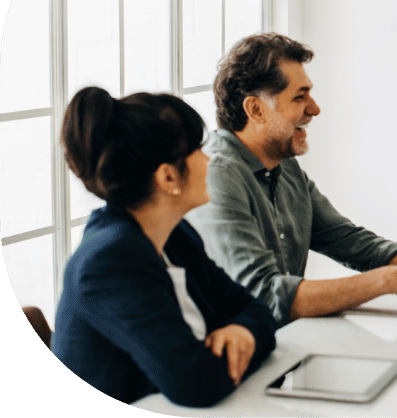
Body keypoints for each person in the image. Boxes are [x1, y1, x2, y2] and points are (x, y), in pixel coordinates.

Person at [186, 33, 397, 327]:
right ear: (255, 109)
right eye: (300, 96)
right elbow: (265, 296)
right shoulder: (216, 176)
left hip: (282, 350)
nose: (315, 108)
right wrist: (388, 280)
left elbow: (350, 242)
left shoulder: (286, 168)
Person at [53, 87, 277, 407]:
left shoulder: (175, 234)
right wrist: (246, 341)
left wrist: (243, 332)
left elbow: (255, 310)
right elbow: (197, 384)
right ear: (169, 177)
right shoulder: (109, 262)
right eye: (197, 149)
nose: (208, 157)